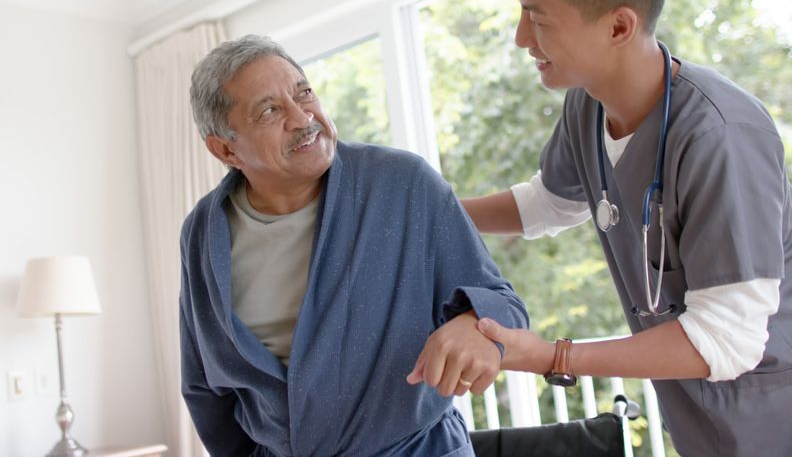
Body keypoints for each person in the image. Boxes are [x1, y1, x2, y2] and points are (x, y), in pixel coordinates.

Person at [450, 0, 792, 456]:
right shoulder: (588, 107)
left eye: (537, 19)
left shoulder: (721, 134)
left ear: (618, 27)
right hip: (711, 426)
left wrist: (549, 355)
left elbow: (726, 338)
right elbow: (549, 203)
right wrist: (426, 211)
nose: (520, 38)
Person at [178, 34, 529, 456]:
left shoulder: (405, 184)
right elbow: (203, 386)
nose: (301, 117)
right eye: (270, 110)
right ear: (225, 148)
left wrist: (476, 323)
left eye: (303, 92)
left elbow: (502, 304)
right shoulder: (202, 231)